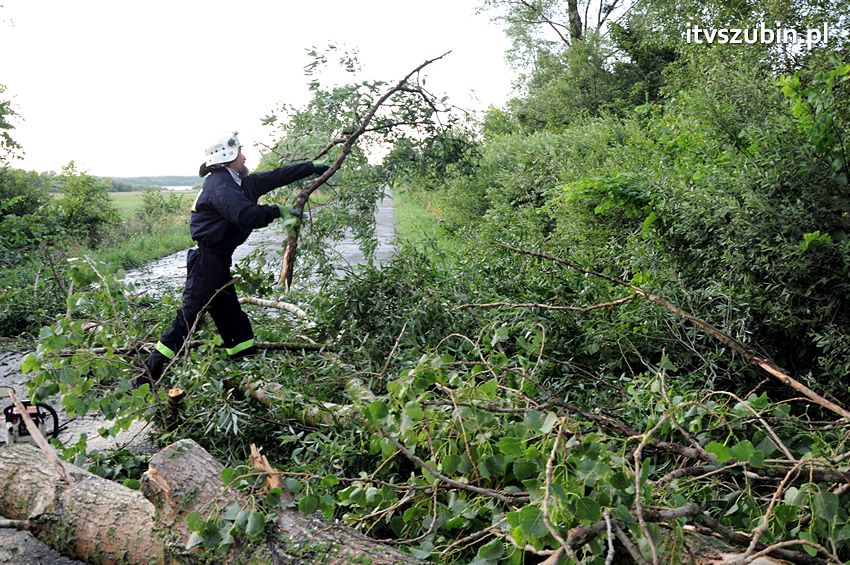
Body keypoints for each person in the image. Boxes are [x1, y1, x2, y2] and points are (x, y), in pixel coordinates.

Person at [135, 131, 330, 388]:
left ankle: (244, 366)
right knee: (187, 319)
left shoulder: (239, 181)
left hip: (218, 263)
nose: (245, 156)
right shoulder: (218, 184)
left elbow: (275, 177)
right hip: (206, 263)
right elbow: (244, 214)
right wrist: (278, 211)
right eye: (240, 153)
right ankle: (146, 378)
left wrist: (310, 168)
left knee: (231, 318)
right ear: (228, 156)